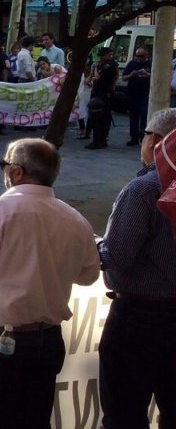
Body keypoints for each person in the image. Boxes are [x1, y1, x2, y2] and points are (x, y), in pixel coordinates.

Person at [0, 138, 99, 429]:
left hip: (4, 342)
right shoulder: (75, 219)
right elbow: (89, 275)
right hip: (47, 340)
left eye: (4, 165)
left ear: (16, 172)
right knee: (36, 419)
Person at [97, 107, 176, 427]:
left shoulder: (146, 188)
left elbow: (115, 257)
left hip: (140, 321)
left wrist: (92, 247)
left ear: (156, 141)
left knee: (123, 415)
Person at [86, 46, 119, 150]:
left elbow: (98, 77)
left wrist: (96, 68)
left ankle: (98, 141)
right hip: (101, 93)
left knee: (99, 117)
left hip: (104, 94)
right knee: (102, 118)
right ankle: (101, 140)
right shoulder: (107, 64)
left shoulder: (108, 65)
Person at [121, 46, 152, 146]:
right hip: (133, 93)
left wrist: (147, 75)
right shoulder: (132, 63)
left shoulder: (151, 64)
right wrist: (131, 75)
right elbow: (124, 78)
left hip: (145, 93)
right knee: (133, 116)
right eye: (137, 56)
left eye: (141, 56)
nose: (139, 58)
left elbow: (157, 77)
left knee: (144, 115)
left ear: (146, 55)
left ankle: (143, 137)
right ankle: (133, 137)